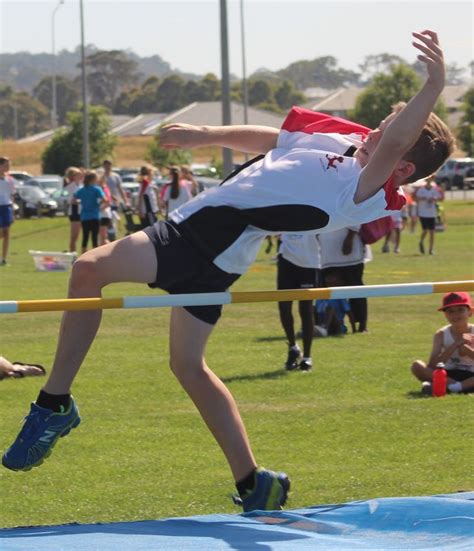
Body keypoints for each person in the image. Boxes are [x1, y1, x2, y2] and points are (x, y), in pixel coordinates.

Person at [2, 31, 454, 512]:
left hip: (199, 241)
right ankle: (253, 480)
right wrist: (209, 136)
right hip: (214, 249)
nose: (372, 131)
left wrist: (435, 84)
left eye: (384, 131)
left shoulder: (363, 190)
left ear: (400, 168)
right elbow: (278, 139)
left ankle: (54, 405)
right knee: (188, 366)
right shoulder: (344, 140)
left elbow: (402, 136)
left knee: (88, 270)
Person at [411, 292, 474, 395]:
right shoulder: (441, 334)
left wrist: (468, 350)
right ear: (445, 314)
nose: (455, 315)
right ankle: (456, 386)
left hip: (472, 375)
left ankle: (452, 387)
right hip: (449, 374)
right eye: (450, 311)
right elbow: (433, 366)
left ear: (470, 312)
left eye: (460, 310)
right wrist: (455, 345)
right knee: (417, 365)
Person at [277, 233, 321, 372]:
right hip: (286, 261)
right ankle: (293, 348)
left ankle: (307, 357)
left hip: (308, 264)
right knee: (284, 307)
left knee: (306, 309)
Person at [319, 227, 371, 332]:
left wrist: (350, 237)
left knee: (356, 289)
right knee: (324, 291)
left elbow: (357, 213)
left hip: (350, 256)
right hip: (326, 253)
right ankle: (326, 325)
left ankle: (362, 324)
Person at [74, 171, 107, 253]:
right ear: (93, 179)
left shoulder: (82, 190)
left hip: (85, 216)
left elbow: (73, 200)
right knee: (94, 237)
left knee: (85, 236)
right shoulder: (97, 189)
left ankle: (83, 255)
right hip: (95, 216)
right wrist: (98, 205)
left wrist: (82, 202)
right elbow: (105, 200)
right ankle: (94, 257)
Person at [415, 174, 442, 255]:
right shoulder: (421, 189)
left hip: (432, 213)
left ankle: (431, 249)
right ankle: (421, 241)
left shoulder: (434, 190)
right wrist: (422, 198)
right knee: (425, 230)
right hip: (423, 213)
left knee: (432, 232)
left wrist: (434, 199)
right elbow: (415, 198)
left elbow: (440, 197)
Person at [102, 160, 129, 234]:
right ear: (104, 166)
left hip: (115, 202)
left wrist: (125, 200)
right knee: (107, 218)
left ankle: (113, 234)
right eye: (106, 165)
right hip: (105, 201)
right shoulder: (101, 177)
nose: (107, 167)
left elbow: (120, 189)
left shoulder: (116, 176)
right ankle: (107, 233)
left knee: (114, 218)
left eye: (109, 165)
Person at [63, 167, 83, 252]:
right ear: (73, 176)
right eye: (78, 173)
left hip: (83, 212)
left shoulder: (81, 185)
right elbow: (71, 201)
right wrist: (84, 201)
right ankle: (73, 255)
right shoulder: (70, 187)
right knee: (74, 236)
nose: (81, 175)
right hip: (75, 212)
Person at [0, 157, 16, 266]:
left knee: (6, 233)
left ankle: (4, 258)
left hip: (7, 207)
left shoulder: (10, 180)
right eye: (6, 165)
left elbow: (12, 196)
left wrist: (13, 212)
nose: (8, 167)